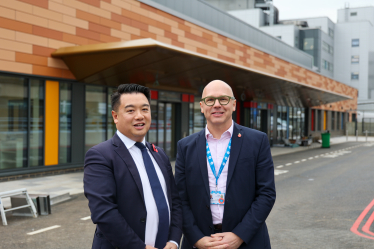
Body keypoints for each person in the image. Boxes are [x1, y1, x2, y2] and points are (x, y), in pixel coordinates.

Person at [175, 80, 276, 249]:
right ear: (201, 106)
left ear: (234, 104)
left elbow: (266, 194)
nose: (216, 105)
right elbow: (179, 199)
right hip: (200, 243)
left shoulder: (257, 141)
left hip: (247, 241)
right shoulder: (185, 146)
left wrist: (239, 235)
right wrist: (196, 238)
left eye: (223, 99)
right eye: (210, 100)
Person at [84, 84, 182, 249]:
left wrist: (173, 240)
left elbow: (175, 202)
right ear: (115, 116)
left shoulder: (159, 154)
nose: (140, 116)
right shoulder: (100, 155)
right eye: (130, 111)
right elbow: (104, 212)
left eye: (145, 109)